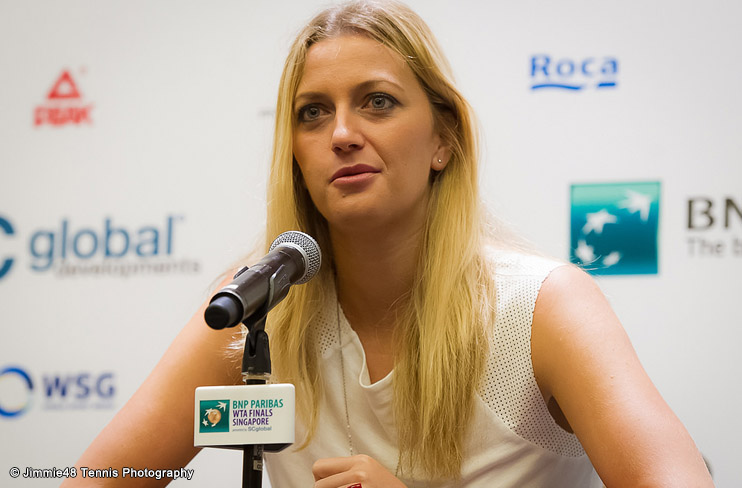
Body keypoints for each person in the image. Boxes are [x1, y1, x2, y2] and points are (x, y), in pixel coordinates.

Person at [65, 1, 714, 487]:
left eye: (377, 102)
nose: (341, 134)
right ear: (293, 152)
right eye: (313, 112)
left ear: (443, 140)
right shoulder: (257, 304)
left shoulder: (544, 307)